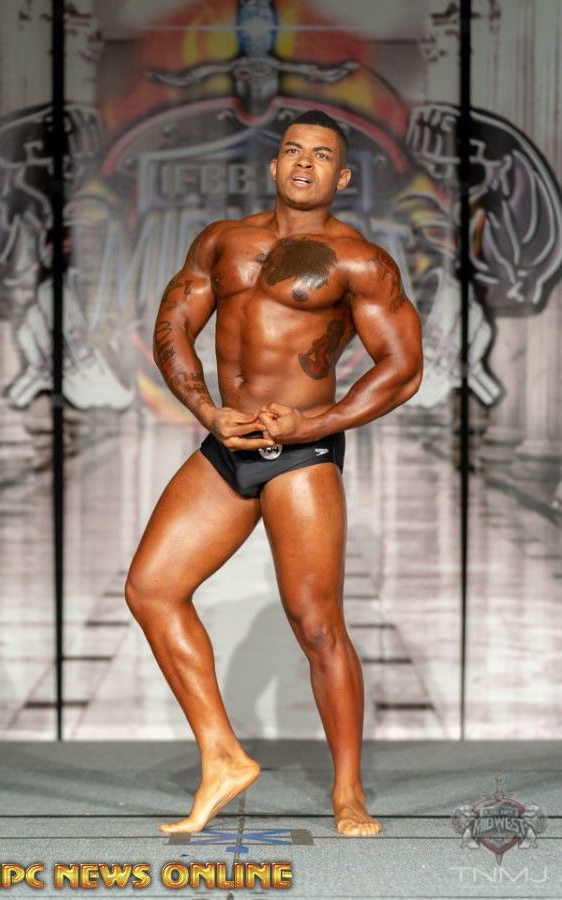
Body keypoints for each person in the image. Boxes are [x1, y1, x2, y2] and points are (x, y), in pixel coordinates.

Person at [125, 110, 423, 837]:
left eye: (321, 155)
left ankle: (348, 791)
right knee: (151, 589)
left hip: (302, 452)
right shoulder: (223, 242)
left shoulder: (360, 261)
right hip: (230, 443)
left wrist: (314, 424)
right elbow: (172, 327)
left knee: (317, 626)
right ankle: (222, 755)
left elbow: (403, 368)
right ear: (273, 165)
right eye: (293, 150)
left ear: (342, 177)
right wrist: (207, 410)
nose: (304, 163)